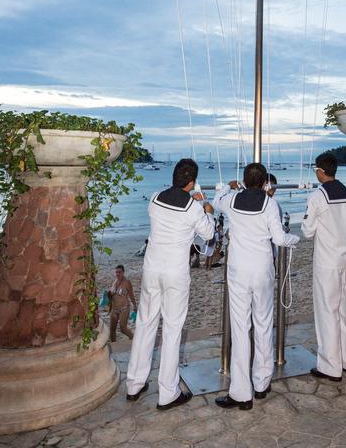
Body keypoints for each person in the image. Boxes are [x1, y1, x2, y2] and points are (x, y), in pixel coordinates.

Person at [126, 158, 214, 410]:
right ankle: (167, 392)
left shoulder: (154, 199)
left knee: (145, 324)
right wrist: (206, 206)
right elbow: (208, 234)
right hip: (175, 272)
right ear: (192, 182)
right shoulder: (193, 208)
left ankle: (134, 383)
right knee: (173, 330)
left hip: (152, 269)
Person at [213, 163, 299, 410]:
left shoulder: (231, 200)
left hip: (239, 270)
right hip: (262, 269)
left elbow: (216, 200)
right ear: (264, 183)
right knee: (263, 324)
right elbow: (280, 239)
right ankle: (262, 383)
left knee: (241, 329)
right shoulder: (270, 204)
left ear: (243, 180)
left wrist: (225, 188)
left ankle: (241, 392)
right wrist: (295, 239)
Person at [302, 152, 346, 381]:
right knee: (345, 311)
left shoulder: (317, 196)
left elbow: (307, 231)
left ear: (320, 171)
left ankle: (330, 366)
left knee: (327, 311)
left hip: (327, 262)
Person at [108, 265, 137, 342]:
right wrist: (108, 294)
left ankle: (134, 339)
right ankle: (114, 345)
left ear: (123, 272)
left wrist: (135, 305)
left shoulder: (127, 282)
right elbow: (111, 296)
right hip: (114, 309)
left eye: (119, 272)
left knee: (123, 328)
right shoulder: (114, 282)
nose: (118, 274)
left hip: (124, 308)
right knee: (112, 329)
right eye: (116, 272)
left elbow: (131, 294)